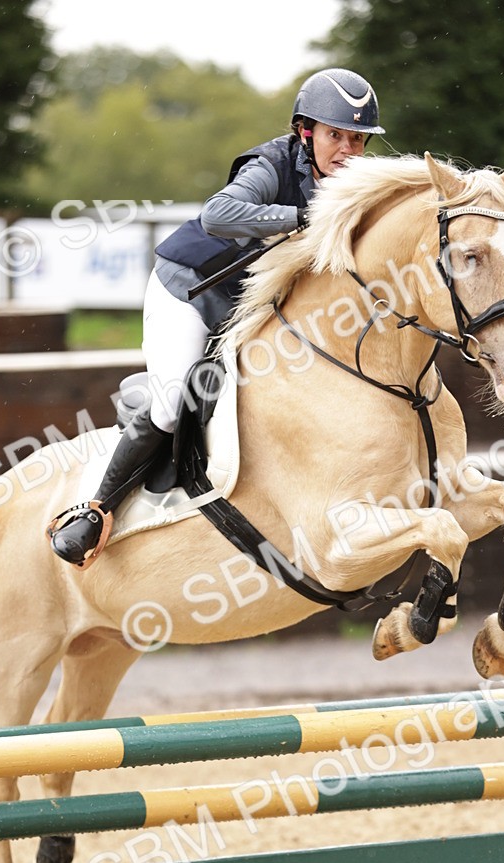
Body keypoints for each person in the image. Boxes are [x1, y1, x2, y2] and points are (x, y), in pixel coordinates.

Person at [48, 68, 384, 566]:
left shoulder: (356, 186)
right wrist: (300, 217)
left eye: (357, 139)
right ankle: (96, 510)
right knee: (170, 405)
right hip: (188, 290)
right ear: (305, 131)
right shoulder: (270, 165)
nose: (347, 151)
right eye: (336, 136)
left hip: (248, 305)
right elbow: (218, 215)